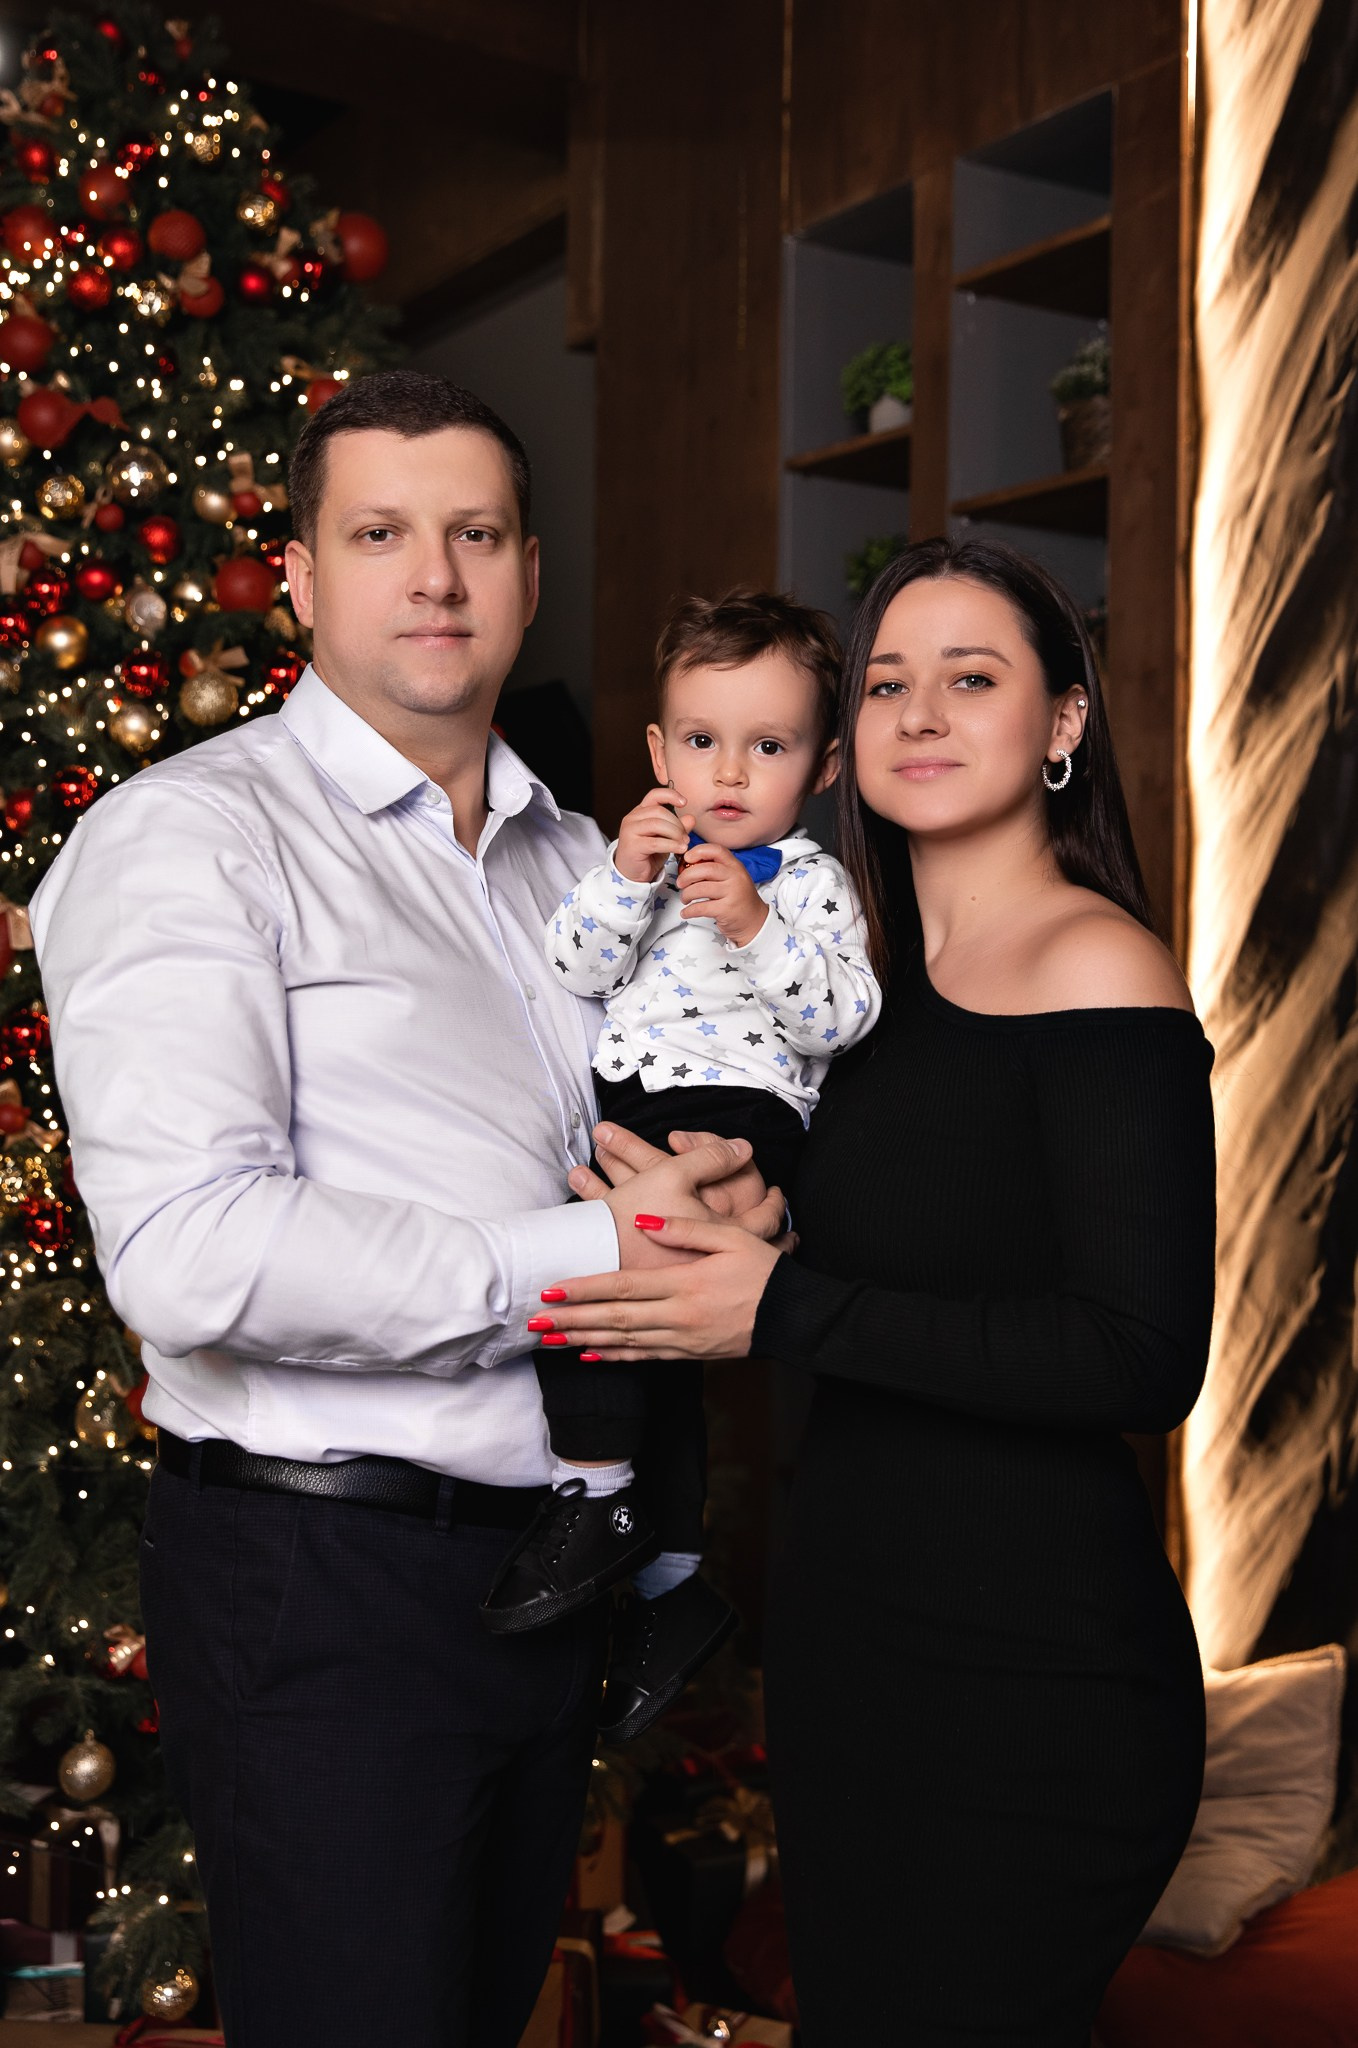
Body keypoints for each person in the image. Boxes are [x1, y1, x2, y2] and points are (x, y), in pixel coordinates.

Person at [31, 370, 781, 2048]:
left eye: (475, 535)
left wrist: (735, 1205)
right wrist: (591, 1257)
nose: (435, 575)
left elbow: (681, 1131)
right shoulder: (189, 839)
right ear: (300, 578)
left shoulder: (579, 861)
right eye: (380, 534)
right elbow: (189, 1253)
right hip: (325, 1581)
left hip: (545, 1579)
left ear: (527, 573)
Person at [541, 536, 1218, 2045]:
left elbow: (1139, 1355)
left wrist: (778, 1307)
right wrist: (724, 1228)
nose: (919, 712)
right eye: (889, 681)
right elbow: (886, 1261)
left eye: (969, 679)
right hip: (852, 1651)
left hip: (1031, 1672)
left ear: (1061, 720)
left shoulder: (1099, 968)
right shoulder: (844, 995)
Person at [481, 591, 881, 1746]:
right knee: (655, 1339)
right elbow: (575, 964)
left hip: (737, 1111)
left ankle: (595, 1496)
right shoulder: (642, 864)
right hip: (633, 1101)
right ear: (659, 753)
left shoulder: (805, 881)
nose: (729, 771)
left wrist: (754, 922)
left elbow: (841, 1015)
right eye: (703, 740)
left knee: (605, 1298)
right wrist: (621, 874)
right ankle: (672, 1579)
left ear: (823, 765)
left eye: (769, 746)